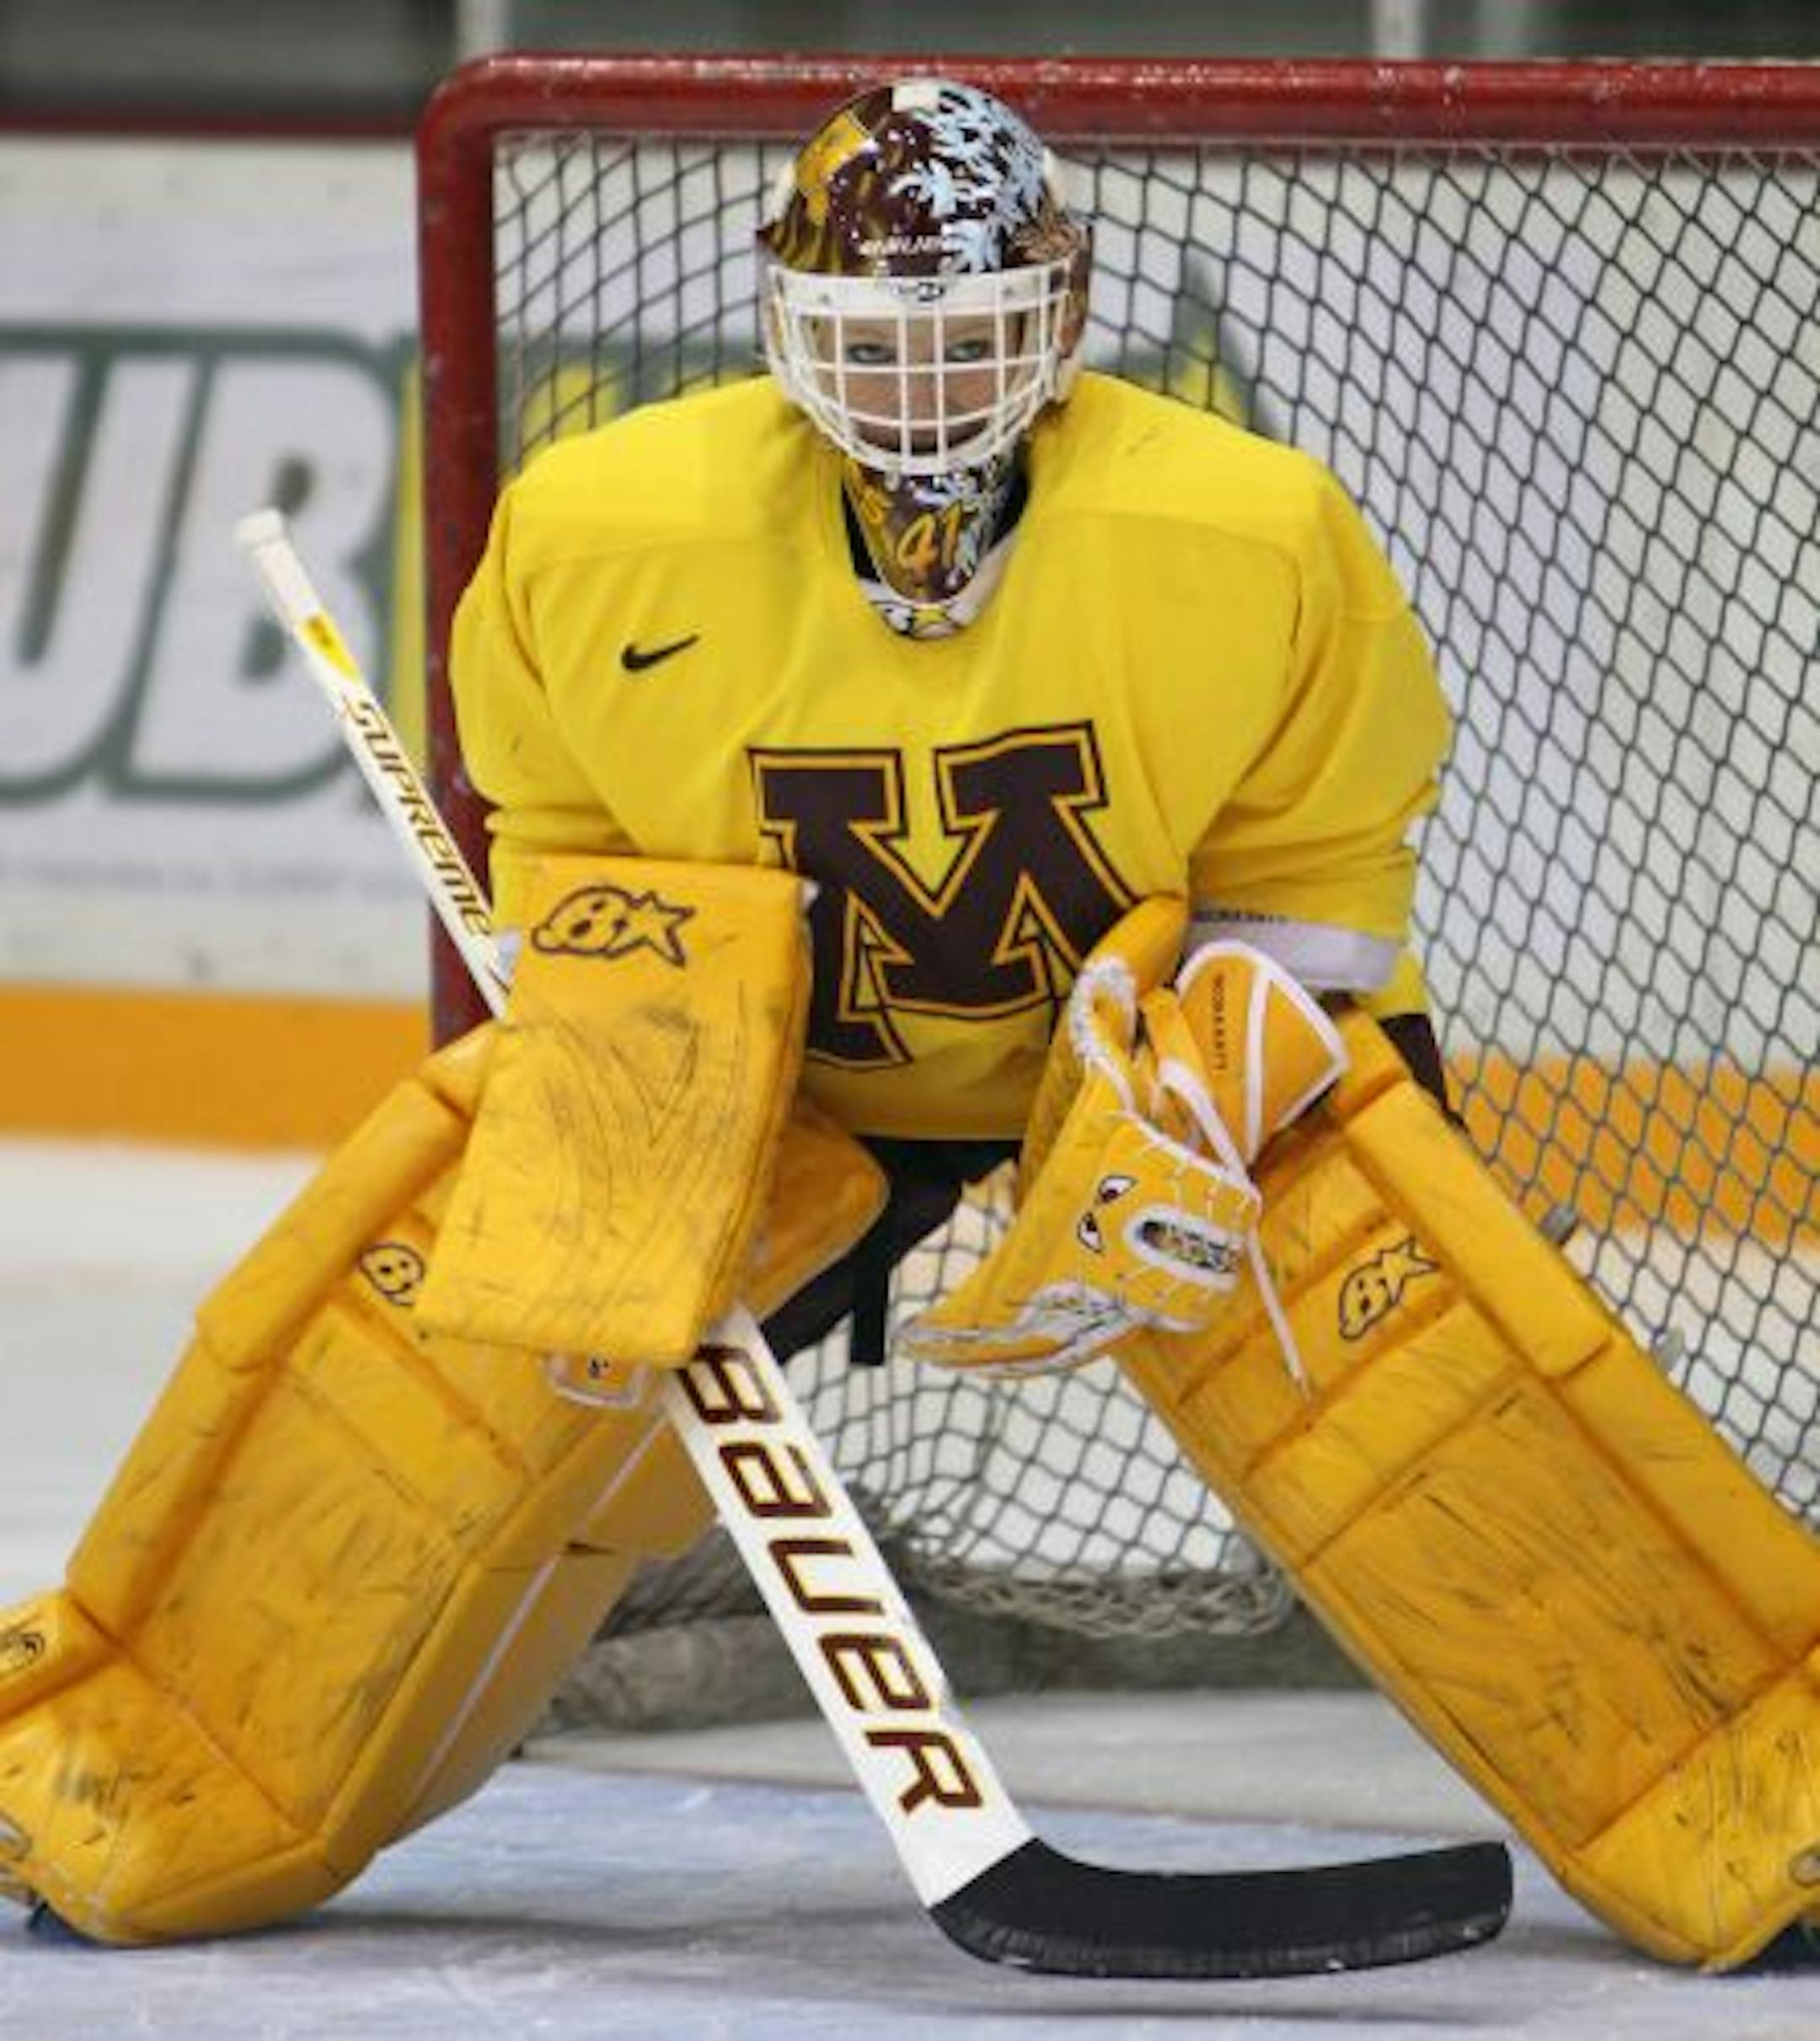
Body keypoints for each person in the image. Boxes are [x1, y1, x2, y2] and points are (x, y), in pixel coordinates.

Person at [449, 73, 1453, 1362]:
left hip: (1158, 1056)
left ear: (1067, 315)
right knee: (507, 1381)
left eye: (973, 339)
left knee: (1420, 1357)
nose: (921, 394)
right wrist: (634, 1069)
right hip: (785, 1091)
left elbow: (1313, 865)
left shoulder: (1248, 535)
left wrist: (1204, 1099)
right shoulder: (600, 538)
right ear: (787, 327)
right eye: (870, 349)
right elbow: (568, 848)